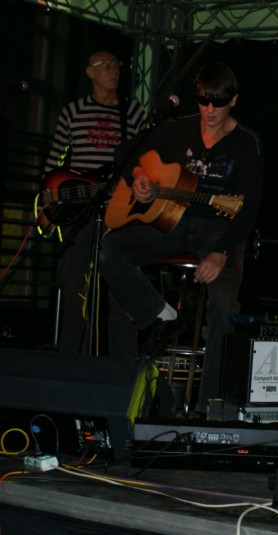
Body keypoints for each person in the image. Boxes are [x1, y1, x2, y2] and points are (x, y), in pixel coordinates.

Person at [99, 62, 264, 418]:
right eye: (203, 101)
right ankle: (159, 317)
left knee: (223, 303)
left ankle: (209, 406)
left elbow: (249, 209)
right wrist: (140, 175)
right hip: (170, 219)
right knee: (110, 250)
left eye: (218, 103)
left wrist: (221, 251)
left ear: (233, 100)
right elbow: (125, 152)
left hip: (219, 229)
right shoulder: (179, 128)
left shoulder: (246, 143)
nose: (210, 110)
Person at [42, 50, 145, 355]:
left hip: (120, 210)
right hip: (80, 210)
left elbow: (146, 159)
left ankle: (122, 368)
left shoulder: (133, 112)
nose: (114, 70)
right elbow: (54, 161)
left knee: (121, 290)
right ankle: (69, 361)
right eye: (106, 65)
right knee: (76, 289)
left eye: (116, 65)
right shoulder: (73, 111)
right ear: (90, 72)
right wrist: (45, 205)